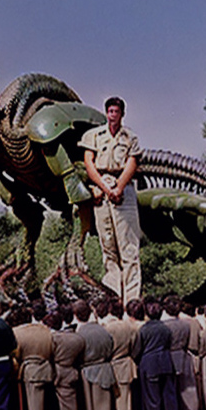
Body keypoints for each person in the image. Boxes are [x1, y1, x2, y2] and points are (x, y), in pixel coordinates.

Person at [79, 96, 143, 302]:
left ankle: (131, 301)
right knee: (108, 247)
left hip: (123, 188)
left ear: (122, 114)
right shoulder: (94, 135)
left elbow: (132, 163)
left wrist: (119, 187)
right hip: (101, 187)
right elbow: (89, 163)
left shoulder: (130, 137)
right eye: (110, 111)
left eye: (116, 111)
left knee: (129, 248)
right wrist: (104, 188)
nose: (113, 115)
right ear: (106, 113)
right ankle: (113, 300)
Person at [134, 298, 180, 410]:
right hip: (166, 361)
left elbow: (137, 350)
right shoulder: (166, 328)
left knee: (152, 398)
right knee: (169, 396)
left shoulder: (144, 329)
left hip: (150, 364)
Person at [12, 299, 54, 410]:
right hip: (47, 369)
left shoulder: (17, 333)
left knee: (34, 405)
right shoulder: (46, 331)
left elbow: (16, 355)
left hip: (29, 371)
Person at [74, 299, 115, 410]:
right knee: (103, 404)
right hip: (104, 367)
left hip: (87, 369)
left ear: (76, 315)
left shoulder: (79, 333)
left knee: (88, 406)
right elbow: (111, 347)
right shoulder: (103, 330)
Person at [102, 298, 139, 410]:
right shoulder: (129, 327)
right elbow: (134, 346)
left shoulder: (106, 328)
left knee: (110, 401)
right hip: (125, 364)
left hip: (111, 365)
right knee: (124, 401)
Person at [47, 308, 85, 410]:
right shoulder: (77, 338)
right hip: (71, 371)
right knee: (70, 404)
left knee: (63, 406)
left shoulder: (54, 339)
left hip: (59, 372)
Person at [162, 296, 198, 410]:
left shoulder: (164, 326)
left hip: (169, 357)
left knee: (170, 391)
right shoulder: (186, 324)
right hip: (183, 356)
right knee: (188, 391)